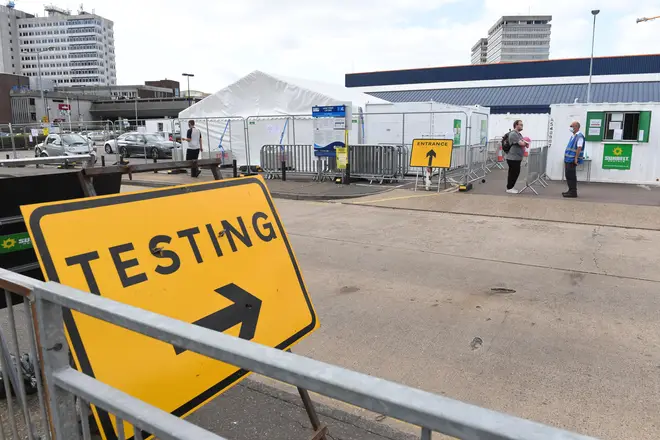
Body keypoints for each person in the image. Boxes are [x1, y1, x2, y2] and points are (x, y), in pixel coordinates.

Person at [563, 121, 585, 198]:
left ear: (576, 127)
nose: (570, 128)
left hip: (572, 159)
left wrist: (576, 158)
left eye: (571, 126)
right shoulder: (573, 136)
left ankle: (573, 192)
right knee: (568, 175)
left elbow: (579, 147)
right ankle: (570, 190)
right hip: (568, 159)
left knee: (571, 175)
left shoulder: (579, 136)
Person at [505, 120, 528, 194]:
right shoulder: (513, 134)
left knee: (515, 173)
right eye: (520, 125)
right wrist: (525, 143)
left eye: (522, 124)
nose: (522, 126)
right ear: (516, 125)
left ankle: (511, 186)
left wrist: (525, 143)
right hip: (512, 158)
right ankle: (509, 188)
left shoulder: (519, 134)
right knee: (513, 173)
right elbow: (521, 143)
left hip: (517, 158)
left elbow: (523, 142)